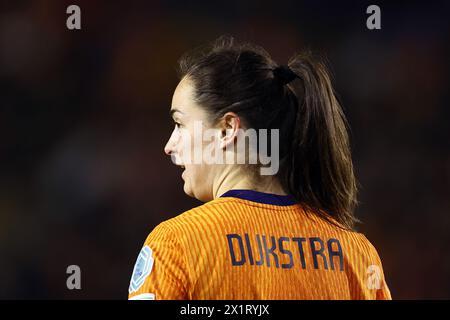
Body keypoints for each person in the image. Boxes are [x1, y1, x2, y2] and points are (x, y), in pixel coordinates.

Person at [128, 36, 391, 300]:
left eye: (180, 124)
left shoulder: (176, 244)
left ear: (227, 129)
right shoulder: (357, 255)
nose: (169, 146)